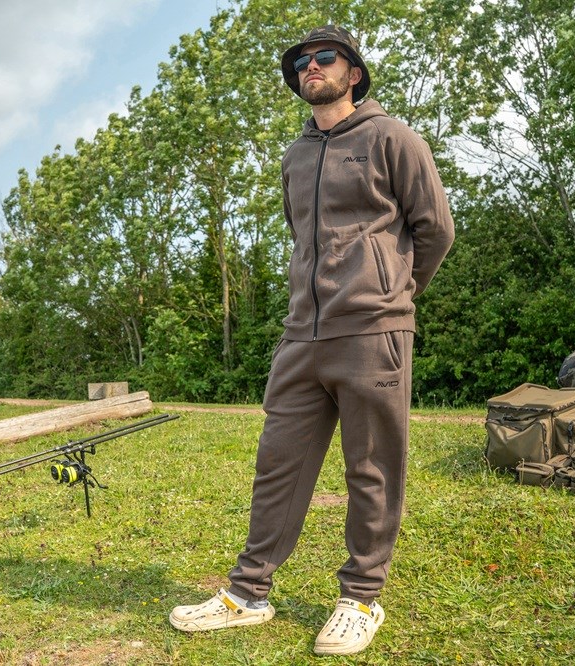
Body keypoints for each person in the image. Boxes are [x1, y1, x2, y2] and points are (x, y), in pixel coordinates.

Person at [169, 24, 455, 656]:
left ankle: (361, 598)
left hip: (373, 331)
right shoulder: (294, 158)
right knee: (278, 464)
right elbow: (303, 238)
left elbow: (435, 230)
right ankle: (248, 593)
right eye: (301, 61)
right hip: (302, 334)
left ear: (353, 72)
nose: (311, 66)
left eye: (325, 57)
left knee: (371, 469)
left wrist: (390, 294)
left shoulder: (393, 138)